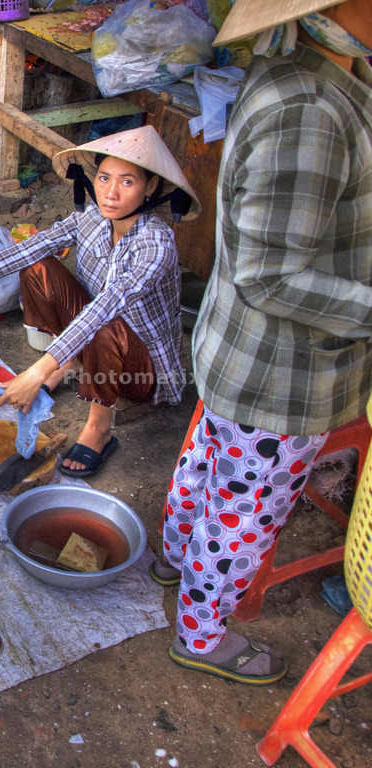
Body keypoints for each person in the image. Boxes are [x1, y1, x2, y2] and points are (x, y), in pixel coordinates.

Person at [156, 0, 371, 685]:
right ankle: (200, 634)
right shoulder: (307, 104)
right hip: (282, 372)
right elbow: (271, 276)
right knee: (244, 514)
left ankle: (173, 560)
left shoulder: (317, 71)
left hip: (243, 353)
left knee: (209, 469)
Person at [0, 125, 201, 478]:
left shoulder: (156, 243)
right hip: (93, 337)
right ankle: (71, 364)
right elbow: (26, 250)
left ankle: (99, 427)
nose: (110, 193)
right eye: (104, 178)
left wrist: (37, 371)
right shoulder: (93, 218)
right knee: (37, 266)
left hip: (141, 369)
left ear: (151, 187)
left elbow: (106, 306)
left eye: (127, 182)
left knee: (104, 322)